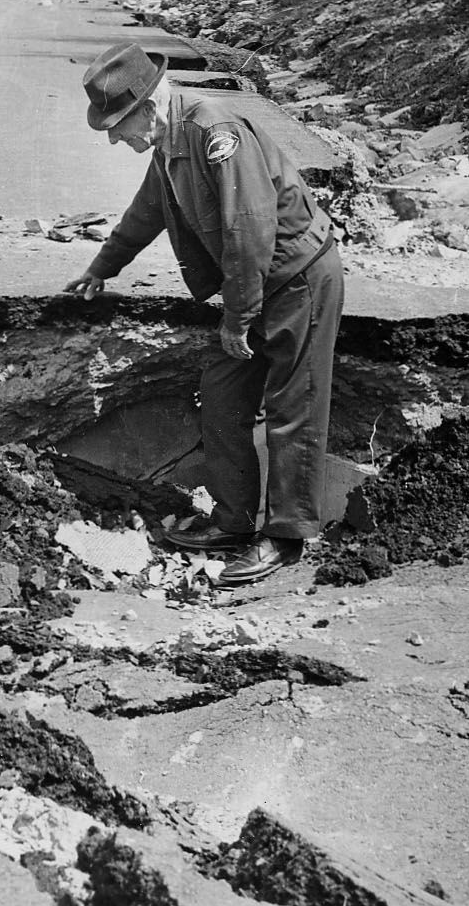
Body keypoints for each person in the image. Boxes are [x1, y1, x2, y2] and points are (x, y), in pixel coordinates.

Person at [64, 41, 344, 588]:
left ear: (147, 105)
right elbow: (146, 213)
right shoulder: (168, 142)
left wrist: (238, 318)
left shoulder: (215, 130)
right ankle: (233, 522)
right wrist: (103, 266)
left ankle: (285, 538)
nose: (118, 140)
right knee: (222, 394)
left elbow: (250, 228)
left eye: (118, 126)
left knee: (293, 406)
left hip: (296, 280)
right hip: (255, 285)